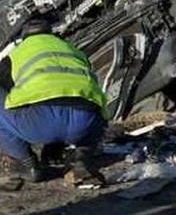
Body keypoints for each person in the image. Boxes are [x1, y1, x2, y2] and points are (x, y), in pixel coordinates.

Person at [0, 18, 108, 186]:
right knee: (80, 103)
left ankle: (25, 164)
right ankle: (81, 157)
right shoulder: (73, 50)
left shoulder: (16, 54)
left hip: (40, 124)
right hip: (87, 124)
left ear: (23, 38)